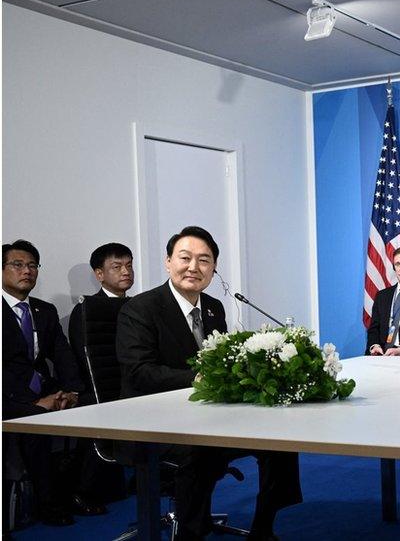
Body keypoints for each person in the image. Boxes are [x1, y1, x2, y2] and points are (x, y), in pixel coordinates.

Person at [116, 226, 301, 541]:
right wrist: (197, 378)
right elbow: (139, 372)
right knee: (199, 451)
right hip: (154, 419)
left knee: (280, 438)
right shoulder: (141, 308)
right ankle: (190, 533)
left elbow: (221, 360)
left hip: (209, 414)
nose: (193, 267)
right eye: (184, 258)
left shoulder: (213, 307)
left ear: (214, 269)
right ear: (168, 262)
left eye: (204, 260)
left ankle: (264, 526)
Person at [2, 240, 85, 526]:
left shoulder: (44, 310)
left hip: (42, 387)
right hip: (8, 395)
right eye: (18, 265)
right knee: (35, 421)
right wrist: (34, 403)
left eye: (33, 265)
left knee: (90, 411)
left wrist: (71, 392)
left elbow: (62, 355)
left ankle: (76, 493)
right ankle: (45, 505)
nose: (27, 271)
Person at [63, 243, 135, 515]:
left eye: (129, 265)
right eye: (117, 267)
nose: (126, 272)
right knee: (99, 406)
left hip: (132, 382)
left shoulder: (137, 305)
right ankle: (83, 490)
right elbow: (86, 360)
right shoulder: (86, 311)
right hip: (99, 386)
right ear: (99, 274)